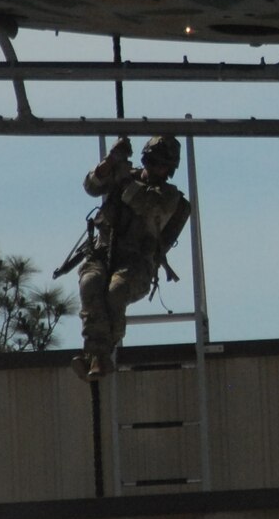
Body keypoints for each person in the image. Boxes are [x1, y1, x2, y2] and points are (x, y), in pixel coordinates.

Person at [70, 135, 192, 381]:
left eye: (163, 165)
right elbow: (92, 186)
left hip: (136, 265)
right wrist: (110, 161)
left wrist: (125, 180)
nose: (156, 168)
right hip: (103, 252)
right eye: (153, 162)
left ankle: (101, 354)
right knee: (90, 284)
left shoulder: (171, 198)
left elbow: (149, 207)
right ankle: (93, 353)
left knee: (116, 292)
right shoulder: (125, 175)